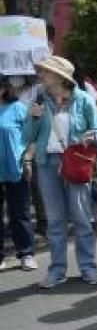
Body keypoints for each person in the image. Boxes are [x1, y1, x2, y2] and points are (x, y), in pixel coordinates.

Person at [24, 56, 97, 288]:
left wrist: (92, 135)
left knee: (81, 218)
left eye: (45, 72)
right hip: (47, 164)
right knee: (55, 221)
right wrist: (32, 118)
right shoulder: (39, 99)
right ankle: (57, 270)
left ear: (60, 77)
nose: (41, 76)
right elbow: (27, 136)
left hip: (75, 161)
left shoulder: (83, 100)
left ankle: (89, 268)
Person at [0, 75, 37, 271]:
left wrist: (28, 158)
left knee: (20, 212)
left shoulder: (18, 108)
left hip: (16, 166)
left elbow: (31, 136)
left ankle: (26, 253)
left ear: (5, 88)